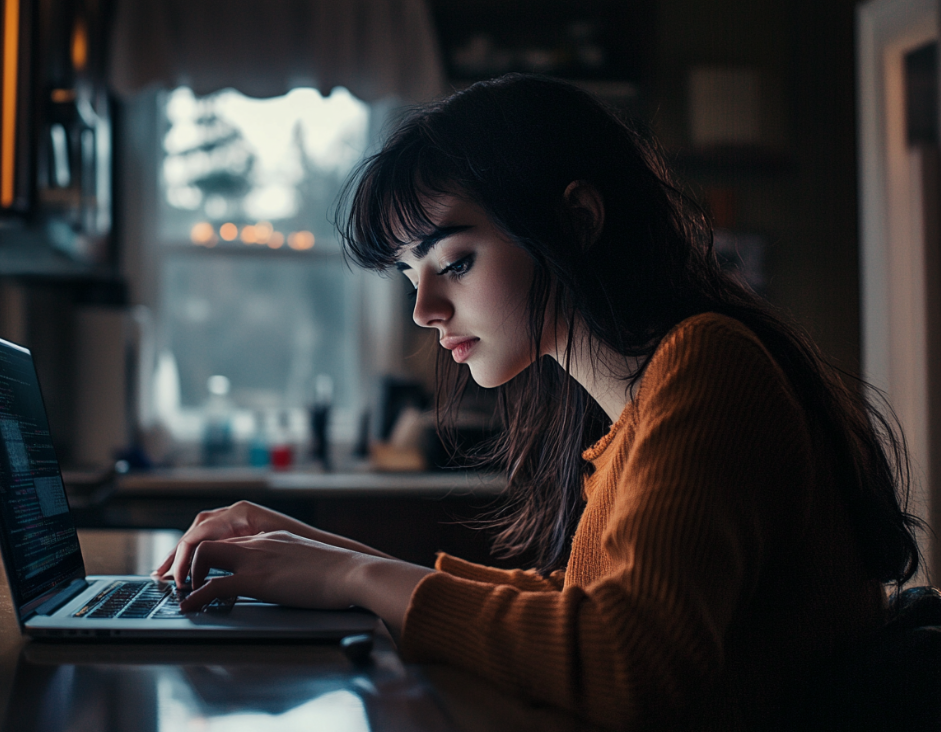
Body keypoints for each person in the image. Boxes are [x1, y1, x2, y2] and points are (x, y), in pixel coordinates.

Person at [152, 74, 923, 729]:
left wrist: (351, 581)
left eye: (454, 260)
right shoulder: (642, 405)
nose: (423, 308)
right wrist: (323, 556)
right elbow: (577, 611)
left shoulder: (710, 366)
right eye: (407, 274)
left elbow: (626, 659)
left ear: (576, 222)